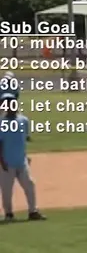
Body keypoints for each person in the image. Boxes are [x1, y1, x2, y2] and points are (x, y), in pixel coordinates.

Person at [0, 93, 44, 223]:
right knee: (7, 190)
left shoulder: (24, 120)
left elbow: (24, 138)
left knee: (30, 185)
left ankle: (33, 211)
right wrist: (2, 161)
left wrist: (26, 156)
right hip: (7, 162)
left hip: (21, 161)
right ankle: (9, 214)